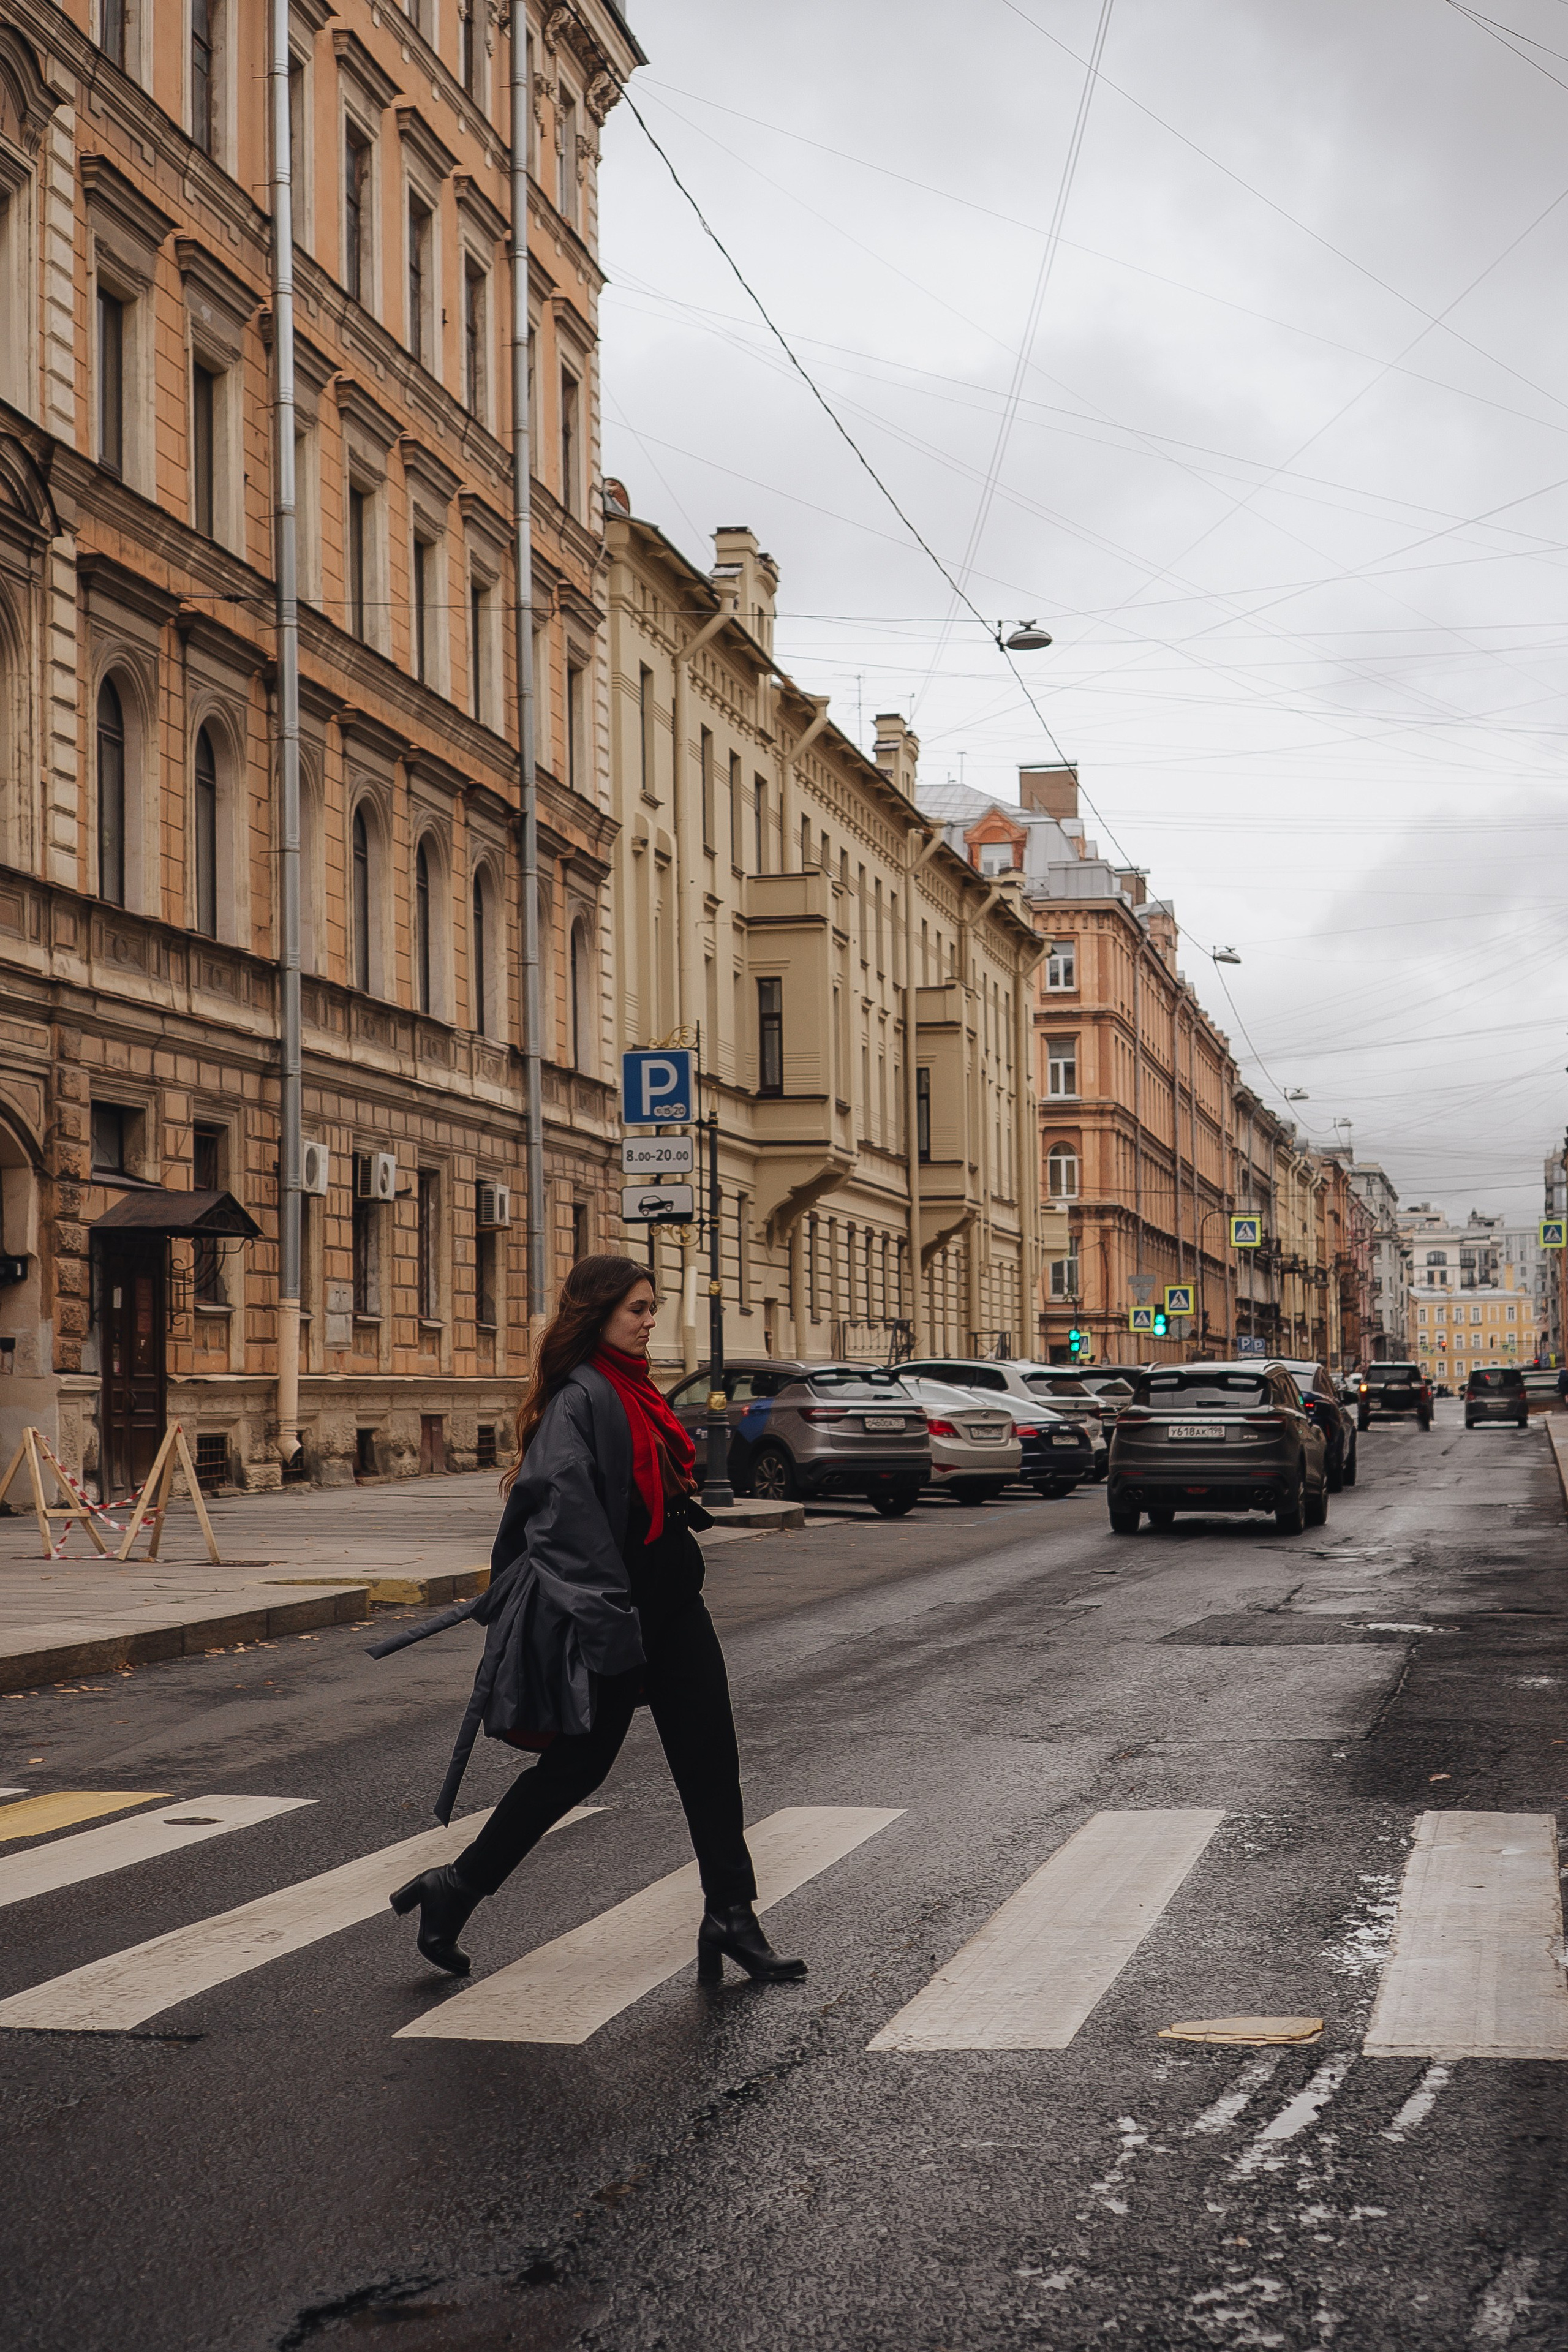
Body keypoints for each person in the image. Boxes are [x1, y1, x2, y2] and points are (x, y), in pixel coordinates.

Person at [385, 1253, 805, 1989]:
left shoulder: (635, 1390)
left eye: (652, 1308)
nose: (650, 1322)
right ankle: (454, 1888)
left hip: (674, 1607)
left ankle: (731, 1916)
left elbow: (645, 1489)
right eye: (637, 1310)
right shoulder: (581, 1399)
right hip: (617, 1615)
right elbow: (568, 1532)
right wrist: (613, 1634)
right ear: (599, 1314)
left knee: (711, 1758)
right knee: (575, 1769)